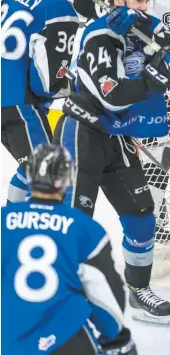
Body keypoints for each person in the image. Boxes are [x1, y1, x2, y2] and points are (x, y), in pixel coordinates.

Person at [54, 0, 170, 324]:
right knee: (74, 223)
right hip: (81, 135)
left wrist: (168, 55)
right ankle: (60, 296)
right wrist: (154, 78)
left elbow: (167, 53)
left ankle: (138, 291)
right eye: (139, 0)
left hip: (117, 138)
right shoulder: (100, 35)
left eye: (148, 0)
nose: (146, 7)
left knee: (142, 216)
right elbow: (113, 96)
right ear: (117, 0)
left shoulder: (140, 30)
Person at [73, 0, 170, 241]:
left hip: (91, 68)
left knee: (96, 142)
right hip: (127, 77)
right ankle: (154, 219)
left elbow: (81, 5)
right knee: (163, 136)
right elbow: (163, 44)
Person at [1, 143, 136, 355]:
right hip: (65, 339)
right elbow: (105, 294)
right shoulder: (85, 229)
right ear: (67, 179)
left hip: (8, 340)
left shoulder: (3, 221)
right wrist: (116, 336)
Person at [1, 0, 80, 205]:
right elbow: (46, 82)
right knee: (50, 172)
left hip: (5, 94)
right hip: (18, 104)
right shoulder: (60, 9)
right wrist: (72, 86)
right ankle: (26, 236)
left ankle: (8, 228)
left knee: (30, 169)